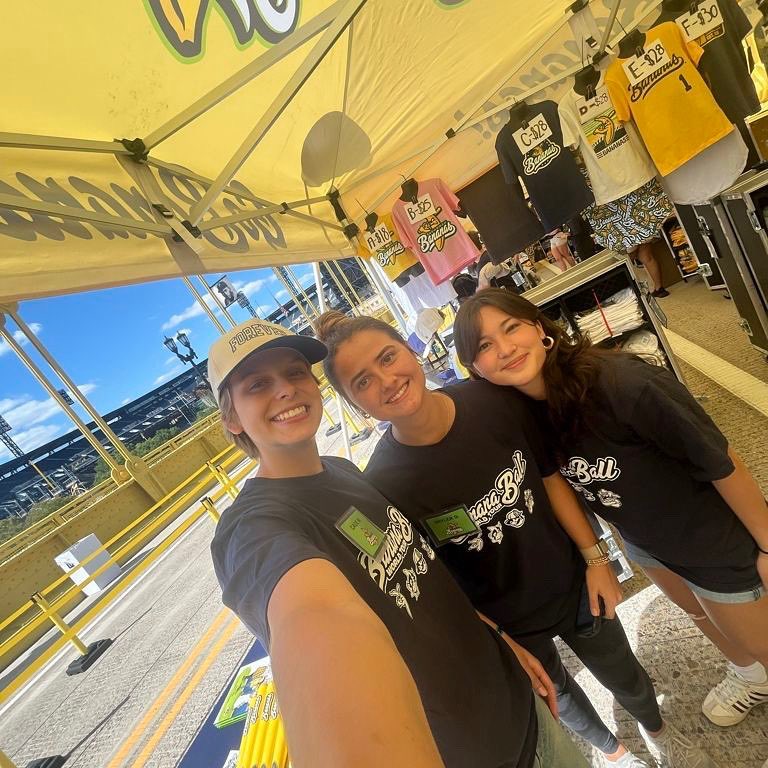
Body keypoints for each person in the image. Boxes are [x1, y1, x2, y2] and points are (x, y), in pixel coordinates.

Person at [315, 310, 714, 768]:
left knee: (624, 673)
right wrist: (501, 640)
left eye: (388, 357)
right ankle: (617, 754)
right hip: (511, 623)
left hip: (573, 585)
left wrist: (596, 558)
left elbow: (547, 476)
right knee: (558, 695)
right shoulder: (384, 484)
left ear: (411, 350)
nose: (386, 380)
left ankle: (659, 730)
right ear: (352, 404)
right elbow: (434, 580)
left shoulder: (490, 400)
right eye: (362, 382)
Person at [207, 317, 590, 768]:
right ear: (231, 418)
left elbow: (425, 582)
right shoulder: (253, 528)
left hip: (519, 706)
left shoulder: (344, 472)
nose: (286, 390)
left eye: (294, 373)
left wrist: (500, 639)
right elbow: (316, 623)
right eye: (257, 385)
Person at [453, 287, 768, 733]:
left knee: (759, 638)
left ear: (539, 327)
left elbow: (719, 458)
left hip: (712, 540)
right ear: (475, 368)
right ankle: (752, 678)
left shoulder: (621, 383)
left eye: (511, 328)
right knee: (700, 614)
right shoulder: (526, 415)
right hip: (647, 545)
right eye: (484, 346)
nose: (504, 349)